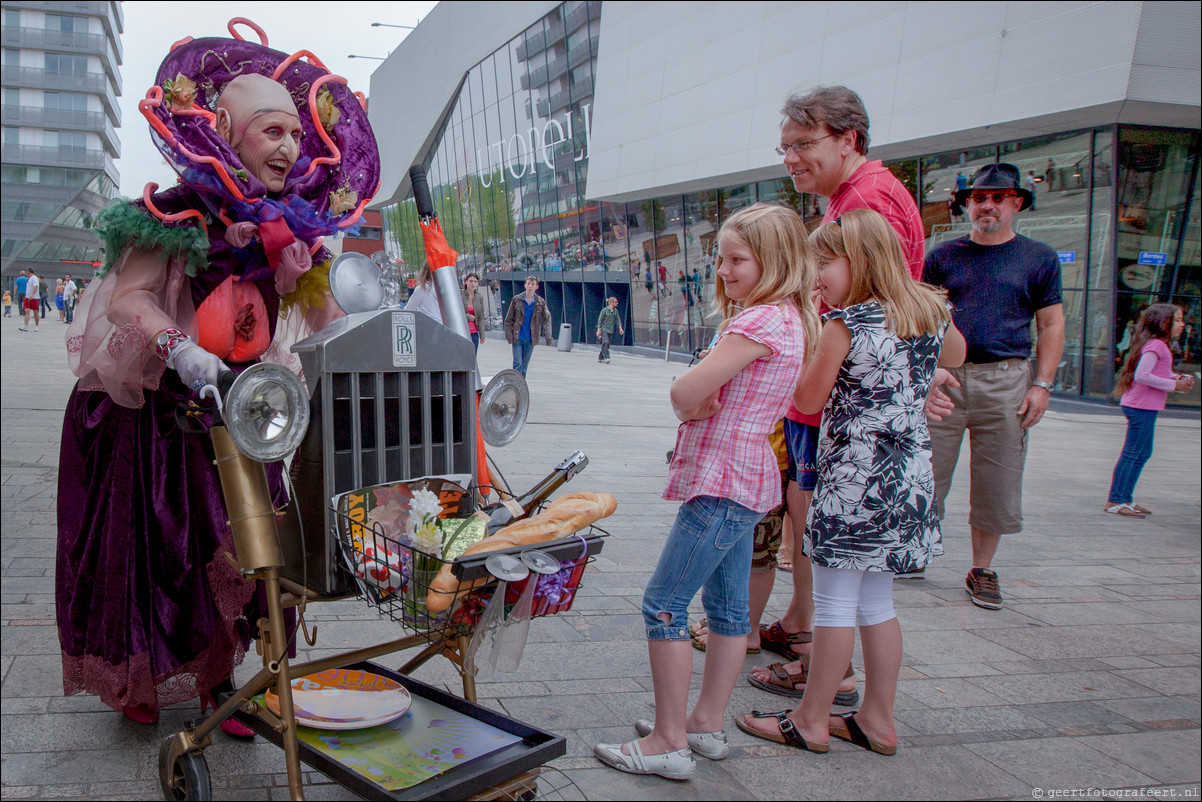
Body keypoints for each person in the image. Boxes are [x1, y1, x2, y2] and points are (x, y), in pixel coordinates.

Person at [56, 27, 379, 729]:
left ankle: (227, 685)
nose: (290, 148)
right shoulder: (174, 210)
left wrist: (365, 350)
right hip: (157, 413)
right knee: (153, 546)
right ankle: (140, 684)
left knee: (249, 548)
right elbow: (128, 300)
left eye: (297, 134)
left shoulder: (293, 227)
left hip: (247, 411)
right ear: (227, 132)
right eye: (272, 131)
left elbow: (323, 313)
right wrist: (180, 349)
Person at [594, 203, 817, 780]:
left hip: (723, 476)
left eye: (737, 259)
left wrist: (693, 395)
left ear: (775, 260)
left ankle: (669, 740)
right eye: (721, 258)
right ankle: (704, 724)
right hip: (747, 476)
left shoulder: (757, 321)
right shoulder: (791, 318)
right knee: (728, 610)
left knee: (662, 604)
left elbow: (685, 390)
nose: (723, 270)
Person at [737, 207, 966, 756]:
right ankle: (878, 720)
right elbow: (955, 353)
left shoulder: (848, 324)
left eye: (825, 263)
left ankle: (812, 719)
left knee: (837, 604)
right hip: (907, 480)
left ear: (858, 260)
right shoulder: (931, 313)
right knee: (877, 605)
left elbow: (807, 401)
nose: (817, 276)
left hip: (855, 482)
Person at [750, 83, 929, 701]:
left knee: (834, 573)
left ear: (849, 139)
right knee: (864, 592)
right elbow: (928, 327)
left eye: (803, 143)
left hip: (848, 430)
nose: (792, 158)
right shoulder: (858, 197)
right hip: (879, 438)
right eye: (784, 148)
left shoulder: (869, 201)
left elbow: (880, 315)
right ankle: (832, 670)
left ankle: (821, 688)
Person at [923, 162, 1065, 611]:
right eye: (979, 198)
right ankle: (911, 548)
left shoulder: (1038, 257)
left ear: (1016, 203)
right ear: (967, 205)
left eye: (998, 198)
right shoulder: (942, 256)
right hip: (947, 379)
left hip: (1007, 380)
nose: (988, 205)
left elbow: (1051, 323)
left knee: (998, 479)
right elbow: (922, 319)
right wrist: (923, 375)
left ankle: (982, 569)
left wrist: (1042, 384)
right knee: (925, 472)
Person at [1105, 304, 1194, 517]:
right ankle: (1116, 501)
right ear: (1164, 322)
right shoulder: (1157, 346)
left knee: (1142, 453)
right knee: (1133, 453)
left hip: (1144, 406)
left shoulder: (1157, 344)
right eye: (1178, 320)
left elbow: (1156, 371)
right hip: (1141, 406)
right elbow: (1142, 376)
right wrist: (1174, 385)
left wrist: (1175, 378)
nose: (1183, 325)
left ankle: (1125, 499)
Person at [504, 275, 552, 377]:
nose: (530, 286)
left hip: (531, 339)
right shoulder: (517, 300)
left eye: (532, 284)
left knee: (524, 366)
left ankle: (521, 388)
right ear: (525, 285)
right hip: (518, 337)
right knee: (518, 363)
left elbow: (547, 319)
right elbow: (508, 319)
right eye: (528, 283)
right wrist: (509, 335)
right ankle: (515, 385)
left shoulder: (540, 302)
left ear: (536, 287)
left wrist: (548, 335)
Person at [459, 272, 489, 352]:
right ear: (466, 282)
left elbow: (481, 317)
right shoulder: (459, 294)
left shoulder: (479, 297)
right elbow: (456, 313)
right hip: (462, 331)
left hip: (474, 332)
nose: (473, 283)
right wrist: (468, 317)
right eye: (471, 281)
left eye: (475, 281)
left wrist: (482, 334)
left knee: (472, 357)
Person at [595, 295, 623, 364]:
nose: (617, 303)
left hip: (610, 329)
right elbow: (600, 320)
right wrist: (599, 329)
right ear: (611, 303)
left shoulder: (615, 311)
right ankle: (606, 357)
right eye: (616, 302)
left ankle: (600, 357)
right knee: (606, 342)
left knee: (607, 344)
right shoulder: (604, 310)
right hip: (604, 329)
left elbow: (617, 320)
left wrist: (620, 328)